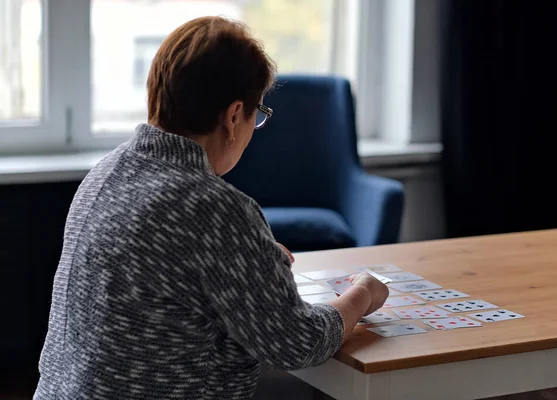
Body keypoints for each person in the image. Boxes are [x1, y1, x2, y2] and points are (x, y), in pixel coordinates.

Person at [34, 16, 389, 400]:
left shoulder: (106, 172)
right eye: (259, 115)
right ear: (234, 116)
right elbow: (298, 344)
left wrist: (253, 264)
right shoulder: (213, 208)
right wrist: (364, 294)